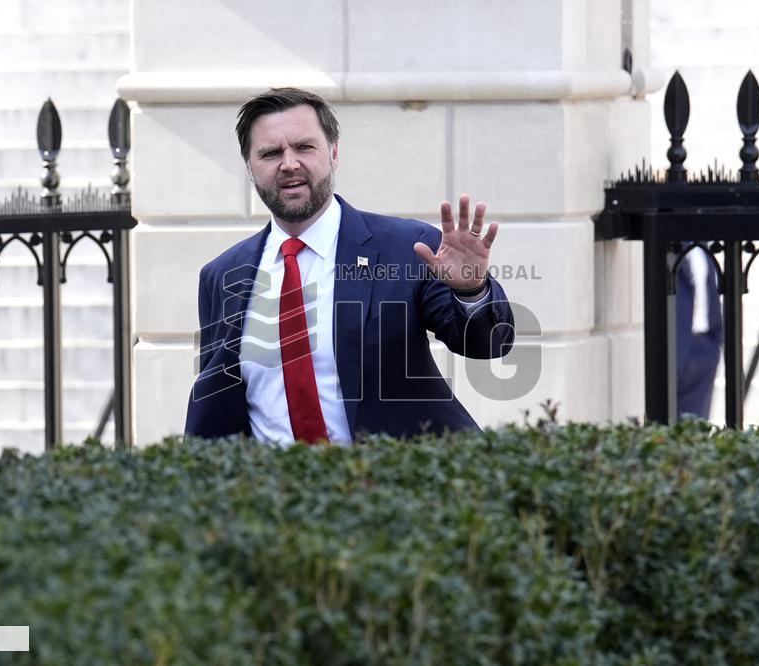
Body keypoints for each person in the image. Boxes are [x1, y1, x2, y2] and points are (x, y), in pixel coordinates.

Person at [184, 88, 515, 444]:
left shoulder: (407, 248)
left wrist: (471, 291)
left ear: (334, 153)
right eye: (270, 153)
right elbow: (217, 404)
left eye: (304, 147)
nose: (289, 164)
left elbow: (489, 345)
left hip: (393, 487)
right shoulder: (221, 276)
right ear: (250, 167)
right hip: (275, 494)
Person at [676, 245, 724, 418]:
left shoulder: (702, 247)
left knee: (697, 425)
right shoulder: (669, 244)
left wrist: (715, 341)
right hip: (674, 345)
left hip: (704, 345)